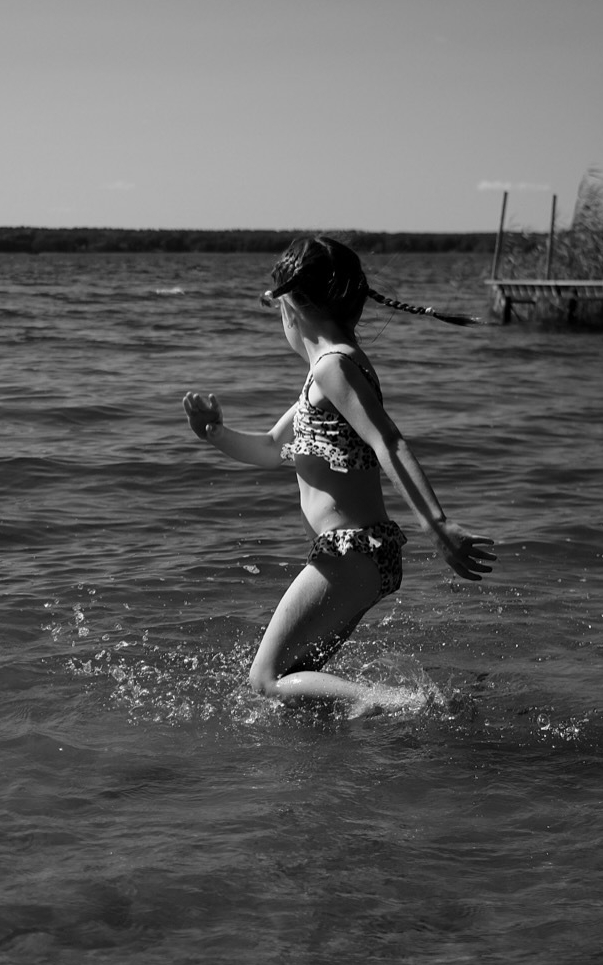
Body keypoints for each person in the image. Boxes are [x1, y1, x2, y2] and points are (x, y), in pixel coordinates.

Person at [181, 237, 495, 712]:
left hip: (350, 553)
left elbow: (388, 441)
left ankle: (405, 706)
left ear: (291, 306)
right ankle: (354, 756)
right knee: (298, 682)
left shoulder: (335, 368)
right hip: (366, 555)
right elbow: (269, 449)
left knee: (264, 681)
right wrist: (215, 433)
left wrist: (437, 526)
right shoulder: (326, 374)